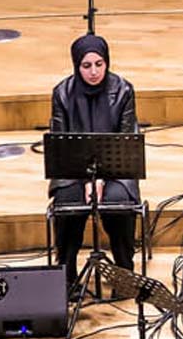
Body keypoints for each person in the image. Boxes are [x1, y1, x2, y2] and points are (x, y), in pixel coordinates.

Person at [48, 34, 141, 297]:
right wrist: (86, 179)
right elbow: (60, 145)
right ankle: (67, 279)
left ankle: (124, 274)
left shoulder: (123, 90)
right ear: (77, 66)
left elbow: (125, 142)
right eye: (86, 66)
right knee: (67, 205)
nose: (93, 71)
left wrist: (100, 178)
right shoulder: (62, 93)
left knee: (118, 205)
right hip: (72, 173)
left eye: (99, 64)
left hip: (116, 172)